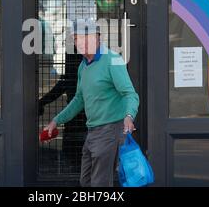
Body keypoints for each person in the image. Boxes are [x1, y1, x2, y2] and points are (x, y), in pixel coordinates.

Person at [45, 18, 139, 187]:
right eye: (77, 38)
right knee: (86, 181)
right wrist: (56, 120)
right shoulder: (84, 66)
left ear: (98, 38)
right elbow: (79, 99)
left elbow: (130, 94)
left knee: (99, 184)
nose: (81, 42)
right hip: (93, 132)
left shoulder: (113, 59)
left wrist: (129, 115)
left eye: (86, 37)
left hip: (110, 130)